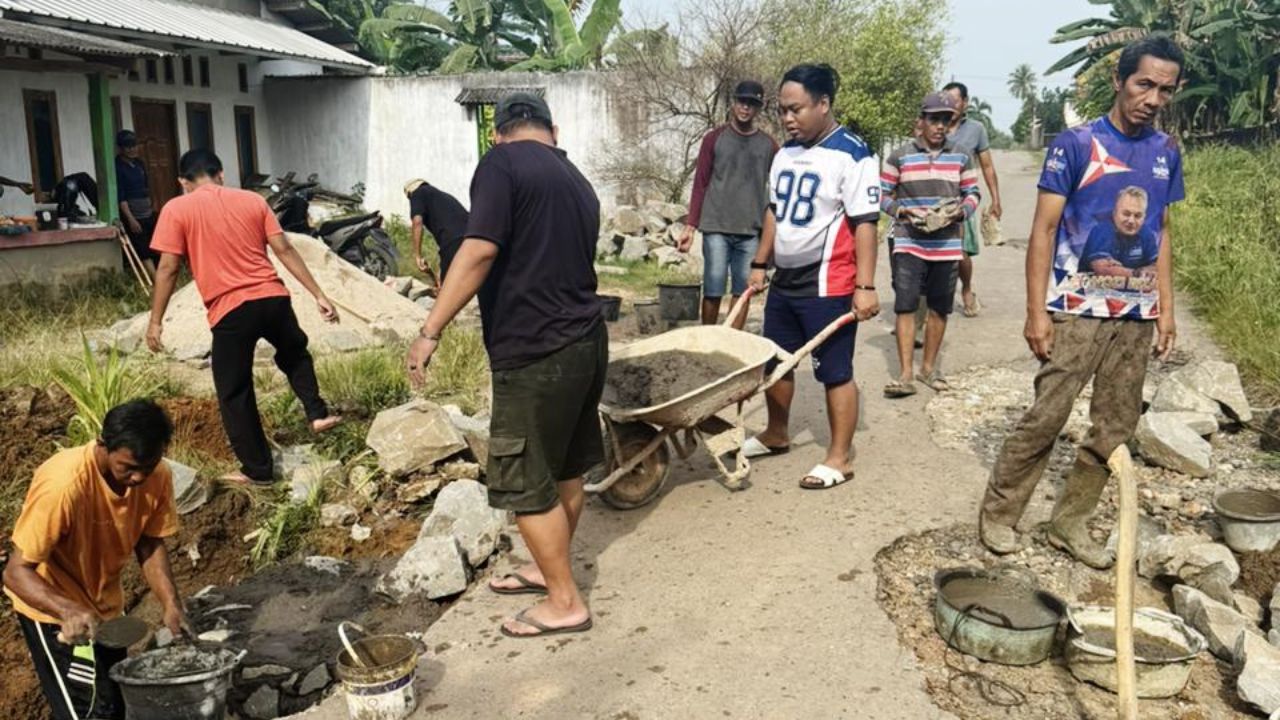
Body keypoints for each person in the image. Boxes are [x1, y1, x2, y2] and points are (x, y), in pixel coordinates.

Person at [978, 36, 1185, 568]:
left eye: (1165, 89)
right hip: (1075, 311)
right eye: (1144, 84)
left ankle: (1068, 523)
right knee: (1047, 415)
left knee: (1114, 427)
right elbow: (1044, 231)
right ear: (1119, 81)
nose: (1153, 99)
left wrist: (1165, 308)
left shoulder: (1165, 152)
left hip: (1134, 318)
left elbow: (1161, 230)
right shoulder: (1076, 144)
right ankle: (1000, 514)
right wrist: (1035, 313)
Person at [405, 93, 604, 637]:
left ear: (499, 133)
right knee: (564, 467)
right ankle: (548, 570)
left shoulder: (501, 164)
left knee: (524, 481)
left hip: (534, 349)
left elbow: (478, 250)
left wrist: (429, 331)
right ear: (552, 130)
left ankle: (565, 601)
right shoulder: (577, 180)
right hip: (586, 340)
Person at [146, 149, 343, 485]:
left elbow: (167, 267)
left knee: (234, 390)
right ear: (220, 174)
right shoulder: (253, 201)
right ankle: (317, 414)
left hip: (231, 309)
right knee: (294, 352)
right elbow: (283, 249)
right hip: (273, 297)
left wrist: (155, 320)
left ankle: (258, 470)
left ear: (182, 182)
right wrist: (318, 294)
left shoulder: (176, 209)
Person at [3, 400, 191, 720]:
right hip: (53, 610)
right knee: (88, 711)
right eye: (127, 468)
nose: (137, 479)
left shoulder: (156, 475)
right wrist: (67, 609)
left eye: (147, 467)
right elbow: (15, 571)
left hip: (103, 609)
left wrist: (171, 603)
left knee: (114, 705)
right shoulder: (63, 485)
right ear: (104, 444)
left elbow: (149, 541)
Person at [741, 64, 881, 490]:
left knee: (834, 369)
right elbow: (774, 212)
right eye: (782, 110)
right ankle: (776, 433)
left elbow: (865, 224)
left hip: (829, 281)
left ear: (823, 104)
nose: (787, 119)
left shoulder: (853, 154)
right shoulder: (785, 153)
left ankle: (840, 457)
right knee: (776, 362)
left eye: (796, 109)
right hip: (786, 279)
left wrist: (866, 287)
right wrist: (761, 263)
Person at [880, 92, 981, 398]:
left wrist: (960, 212)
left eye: (946, 121)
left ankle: (928, 370)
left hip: (947, 244)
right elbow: (881, 194)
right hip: (909, 240)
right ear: (920, 122)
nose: (940, 126)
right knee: (906, 304)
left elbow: (973, 193)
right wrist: (901, 211)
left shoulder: (962, 156)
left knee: (940, 307)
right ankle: (906, 374)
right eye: (933, 120)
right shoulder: (899, 156)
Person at [680, 80, 779, 328]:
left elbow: (780, 189)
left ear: (759, 108)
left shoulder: (768, 145)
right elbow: (700, 182)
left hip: (750, 230)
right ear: (734, 103)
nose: (746, 108)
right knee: (713, 287)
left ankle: (731, 342)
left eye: (752, 104)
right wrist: (690, 226)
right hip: (716, 227)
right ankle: (709, 339)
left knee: (743, 290)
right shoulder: (714, 139)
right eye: (742, 102)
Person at [942, 81, 1003, 317]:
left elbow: (987, 166)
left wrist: (996, 200)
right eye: (946, 100)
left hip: (962, 199)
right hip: (935, 197)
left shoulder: (976, 129)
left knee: (961, 254)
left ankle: (966, 289)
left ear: (965, 103)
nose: (950, 106)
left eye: (955, 101)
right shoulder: (934, 124)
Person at [404, 178, 469, 292]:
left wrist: (418, 255)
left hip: (454, 241)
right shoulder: (444, 197)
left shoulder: (417, 193)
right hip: (472, 238)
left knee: (446, 291)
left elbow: (417, 222)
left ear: (410, 193)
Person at [1081, 186, 1159, 276]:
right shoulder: (1101, 231)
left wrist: (1148, 269)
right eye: (1126, 214)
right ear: (1114, 213)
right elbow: (1102, 269)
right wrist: (1138, 273)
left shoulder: (1146, 233)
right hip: (1092, 289)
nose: (1131, 221)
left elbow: (1159, 265)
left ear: (1144, 217)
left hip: (1133, 289)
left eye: (1138, 216)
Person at [115, 130, 157, 274]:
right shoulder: (117, 166)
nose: (132, 149)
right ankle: (155, 279)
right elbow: (121, 197)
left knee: (155, 244)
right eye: (128, 147)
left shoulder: (139, 163)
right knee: (142, 247)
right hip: (134, 214)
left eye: (134, 146)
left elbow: (146, 186)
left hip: (147, 211)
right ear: (120, 149)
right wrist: (131, 219)